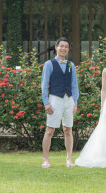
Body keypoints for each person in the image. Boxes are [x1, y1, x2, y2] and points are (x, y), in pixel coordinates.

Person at [41, 37, 79, 168]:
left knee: (68, 129)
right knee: (50, 130)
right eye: (61, 46)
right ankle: (46, 160)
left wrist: (75, 102)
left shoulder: (71, 65)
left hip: (69, 99)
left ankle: (69, 159)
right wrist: (46, 102)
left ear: (68, 50)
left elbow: (74, 85)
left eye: (66, 47)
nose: (63, 49)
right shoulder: (49, 64)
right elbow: (44, 84)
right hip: (55, 99)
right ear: (56, 47)